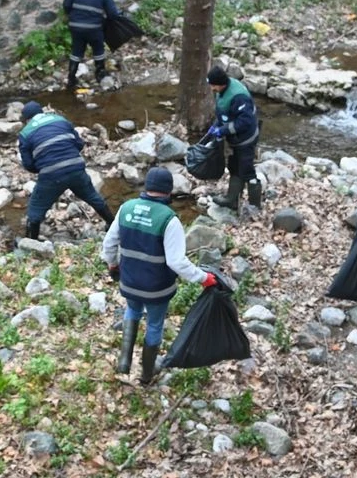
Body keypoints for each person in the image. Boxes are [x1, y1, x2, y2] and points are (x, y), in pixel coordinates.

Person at [103, 167, 217, 385]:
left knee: (132, 310)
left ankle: (124, 363)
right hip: (157, 288)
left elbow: (109, 244)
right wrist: (203, 278)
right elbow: (176, 262)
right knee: (154, 325)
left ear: (147, 187)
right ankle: (146, 376)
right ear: (168, 191)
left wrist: (113, 265)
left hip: (129, 282)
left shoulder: (126, 208)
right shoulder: (169, 220)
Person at [17, 101, 115, 246]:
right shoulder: (61, 120)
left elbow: (28, 164)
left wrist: (43, 167)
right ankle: (112, 226)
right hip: (76, 169)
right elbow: (79, 144)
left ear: (27, 119)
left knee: (35, 210)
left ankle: (31, 244)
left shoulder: (25, 133)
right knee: (93, 197)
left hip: (51, 176)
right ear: (42, 112)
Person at [205, 65, 261, 211]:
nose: (212, 89)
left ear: (220, 83)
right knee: (234, 167)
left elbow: (245, 122)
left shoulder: (239, 96)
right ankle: (232, 200)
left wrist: (223, 130)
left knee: (247, 170)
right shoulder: (221, 91)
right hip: (234, 140)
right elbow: (223, 113)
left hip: (246, 138)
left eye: (213, 85)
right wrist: (216, 126)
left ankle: (255, 205)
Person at [62, 0, 121, 91]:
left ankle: (71, 78)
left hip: (76, 26)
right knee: (98, 49)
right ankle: (100, 74)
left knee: (76, 50)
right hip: (93, 28)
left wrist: (73, 16)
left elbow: (66, 5)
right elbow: (113, 14)